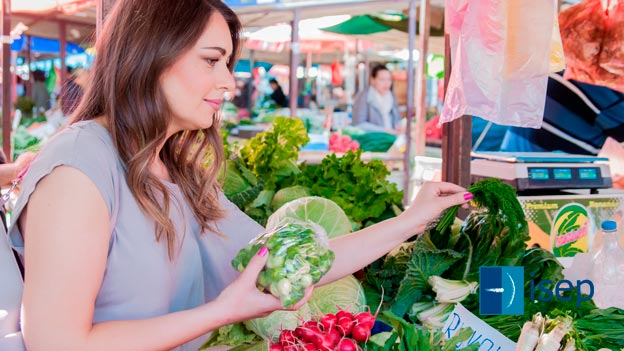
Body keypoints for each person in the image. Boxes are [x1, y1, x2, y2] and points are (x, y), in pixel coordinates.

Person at [7, 1, 472, 350]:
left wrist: (414, 218)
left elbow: (300, 260)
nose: (229, 82)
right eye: (212, 60)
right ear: (150, 55)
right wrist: (219, 312)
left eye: (228, 63)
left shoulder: (172, 170)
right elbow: (58, 343)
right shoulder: (78, 168)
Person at [352, 64, 401, 133]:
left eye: (389, 79)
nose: (386, 83)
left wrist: (398, 126)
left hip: (391, 137)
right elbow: (359, 123)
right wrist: (384, 131)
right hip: (373, 140)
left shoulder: (391, 95)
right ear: (372, 80)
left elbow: (397, 118)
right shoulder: (364, 96)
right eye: (382, 79)